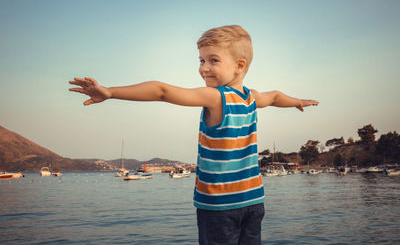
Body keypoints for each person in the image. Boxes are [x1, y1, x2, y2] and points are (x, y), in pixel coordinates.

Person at [69, 25, 319, 244]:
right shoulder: (252, 97)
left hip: (220, 205)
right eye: (201, 60)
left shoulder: (215, 96)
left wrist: (110, 92)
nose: (203, 68)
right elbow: (275, 96)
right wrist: (298, 101)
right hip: (254, 201)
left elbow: (162, 91)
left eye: (213, 60)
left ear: (239, 65)